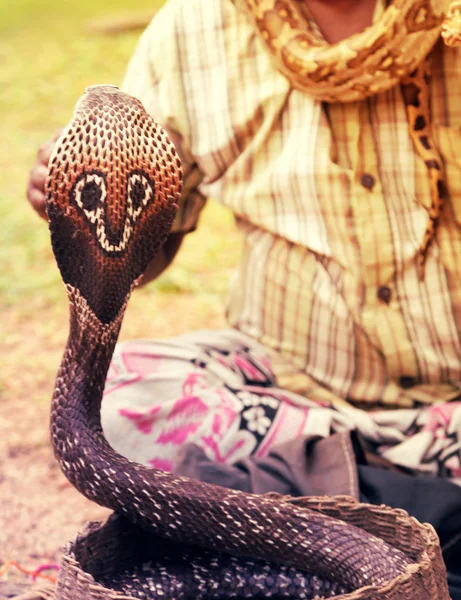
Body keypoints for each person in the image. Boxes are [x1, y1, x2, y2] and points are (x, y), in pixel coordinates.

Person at [27, 0, 461, 590]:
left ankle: (351, 509)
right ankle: (426, 513)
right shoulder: (196, 25)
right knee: (125, 400)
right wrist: (78, 213)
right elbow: (146, 250)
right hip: (291, 392)